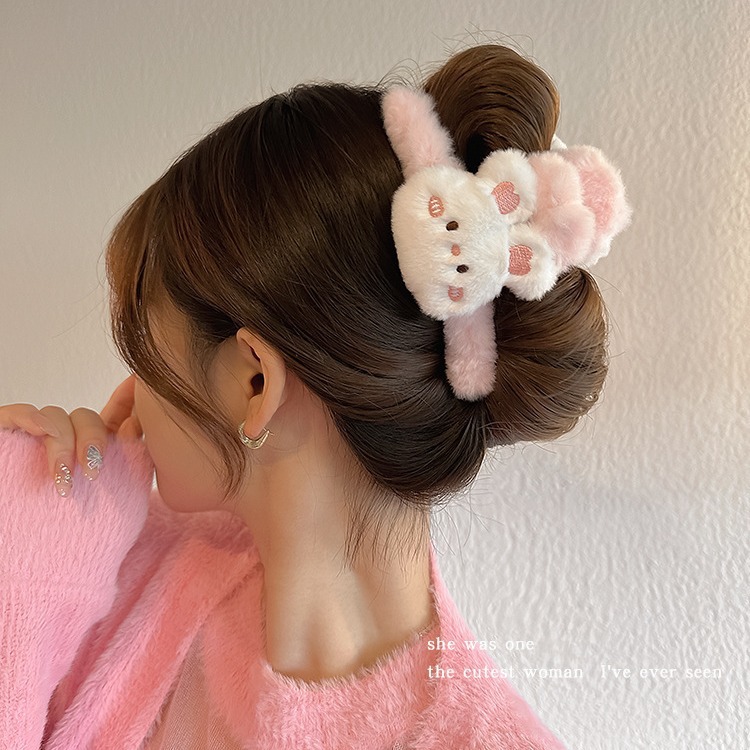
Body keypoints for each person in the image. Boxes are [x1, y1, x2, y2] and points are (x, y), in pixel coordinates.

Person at [0, 42, 631, 749]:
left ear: (254, 381)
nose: (128, 394)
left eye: (143, 352)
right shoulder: (88, 565)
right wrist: (22, 545)